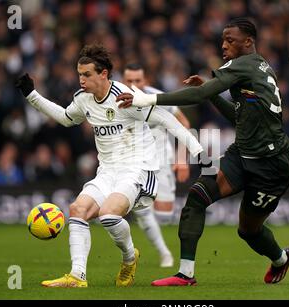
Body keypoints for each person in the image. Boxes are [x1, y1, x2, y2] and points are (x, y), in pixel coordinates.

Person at [117, 18, 289, 286]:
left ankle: (281, 259)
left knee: (248, 230)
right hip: (242, 154)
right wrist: (211, 93)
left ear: (248, 42)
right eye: (223, 40)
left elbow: (197, 96)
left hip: (272, 165)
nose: (224, 45)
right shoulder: (256, 66)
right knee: (197, 195)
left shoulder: (242, 65)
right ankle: (185, 274)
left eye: (230, 40)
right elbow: (238, 117)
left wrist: (147, 98)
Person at [15, 44, 204, 288]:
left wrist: (195, 148)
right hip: (107, 171)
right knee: (77, 209)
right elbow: (65, 117)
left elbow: (166, 118)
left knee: (108, 214)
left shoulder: (126, 98)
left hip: (138, 168)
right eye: (79, 74)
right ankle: (77, 276)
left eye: (87, 75)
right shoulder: (83, 100)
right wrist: (32, 95)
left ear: (103, 74)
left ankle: (128, 258)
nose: (81, 80)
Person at [123, 63, 191, 268]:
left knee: (164, 214)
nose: (134, 84)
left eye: (138, 80)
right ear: (123, 80)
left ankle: (148, 211)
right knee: (142, 212)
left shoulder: (158, 98)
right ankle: (164, 254)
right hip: (133, 163)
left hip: (161, 162)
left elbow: (184, 123)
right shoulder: (115, 99)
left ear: (145, 81)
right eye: (129, 80)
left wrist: (181, 158)